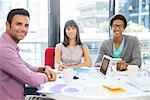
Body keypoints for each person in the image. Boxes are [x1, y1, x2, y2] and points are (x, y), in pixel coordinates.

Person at [0, 8, 56, 100]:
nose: (23, 29)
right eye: (19, 24)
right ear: (7, 25)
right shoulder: (4, 49)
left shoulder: (7, 44)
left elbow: (25, 65)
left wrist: (43, 69)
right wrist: (47, 76)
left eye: (26, 25)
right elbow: (32, 80)